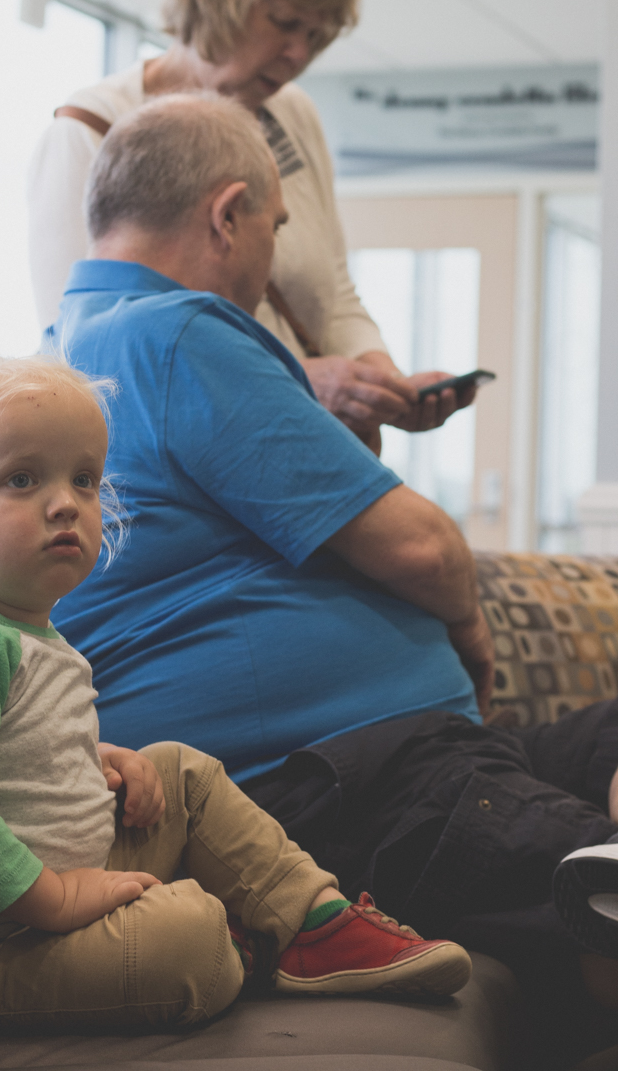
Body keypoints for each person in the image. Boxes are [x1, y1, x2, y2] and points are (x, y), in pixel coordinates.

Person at [47, 92, 618, 1058]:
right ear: (228, 215)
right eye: (273, 227)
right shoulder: (173, 333)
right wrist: (468, 631)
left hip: (405, 760)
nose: (270, 256)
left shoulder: (79, 347)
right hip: (340, 786)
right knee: (590, 880)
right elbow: (423, 550)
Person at [0, 354, 472, 1036]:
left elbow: (12, 755)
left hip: (54, 898)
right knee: (192, 937)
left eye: (83, 479)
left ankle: (313, 923)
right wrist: (56, 898)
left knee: (181, 772)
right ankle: (244, 940)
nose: (65, 503)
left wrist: (101, 760)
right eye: (21, 479)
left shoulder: (26, 631)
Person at [28, 0, 474, 452]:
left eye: (316, 35)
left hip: (305, 451)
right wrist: (301, 380)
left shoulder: (293, 113)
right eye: (285, 23)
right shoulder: (92, 130)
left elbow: (331, 291)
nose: (297, 54)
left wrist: (378, 380)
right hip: (192, 472)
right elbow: (84, 355)